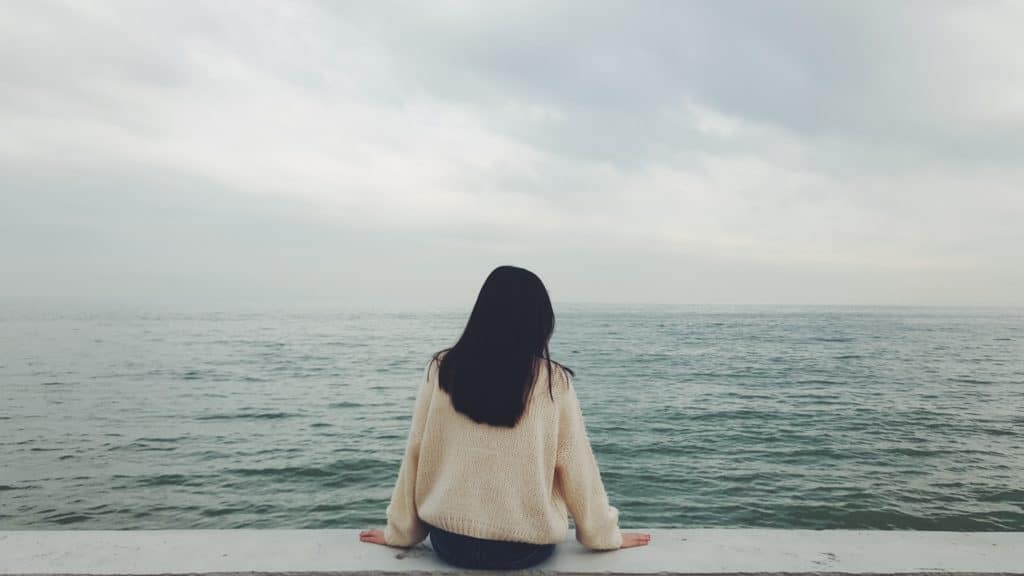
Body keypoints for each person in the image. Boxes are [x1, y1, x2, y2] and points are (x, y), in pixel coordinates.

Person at [359, 265, 651, 569]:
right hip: (524, 548)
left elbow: (416, 451)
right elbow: (577, 466)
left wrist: (401, 532)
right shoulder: (553, 381)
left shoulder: (442, 369)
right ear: (538, 321)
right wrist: (603, 535)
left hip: (449, 542)